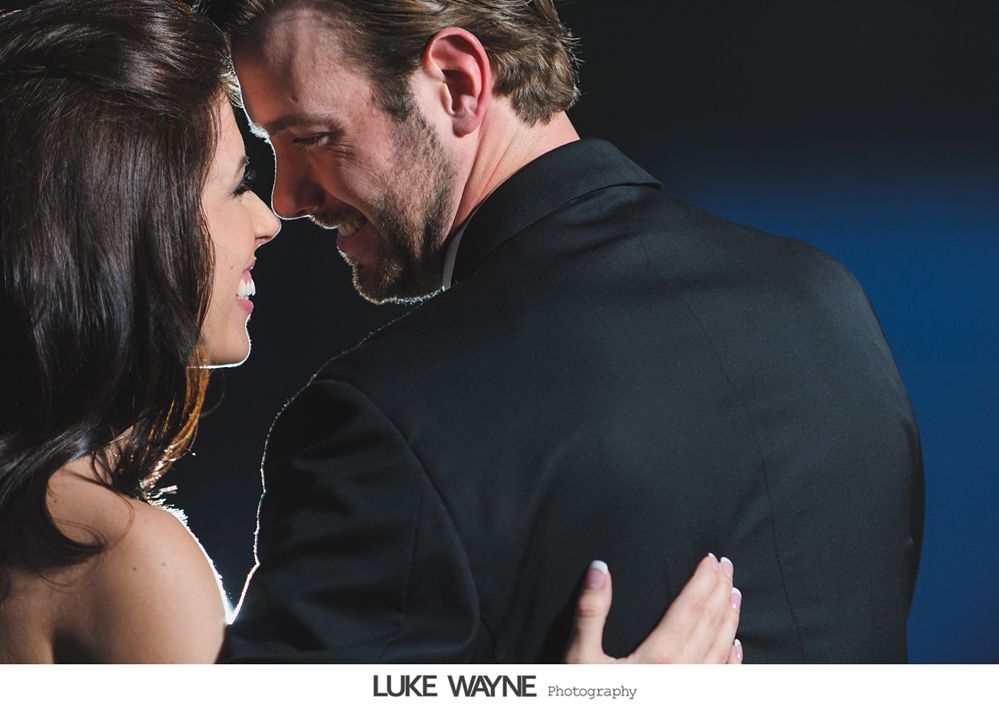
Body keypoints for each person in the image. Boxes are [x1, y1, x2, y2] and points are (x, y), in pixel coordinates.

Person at [0, 0, 741, 664]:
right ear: (117, 228)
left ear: (460, 84)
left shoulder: (50, 526)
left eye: (314, 137)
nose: (272, 213)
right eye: (234, 185)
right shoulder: (118, 557)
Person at [204, 0, 924, 663]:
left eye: (310, 137)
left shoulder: (381, 418)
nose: (288, 197)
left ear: (457, 83)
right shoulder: (825, 298)